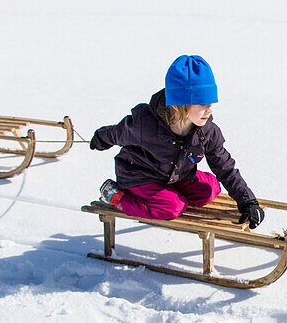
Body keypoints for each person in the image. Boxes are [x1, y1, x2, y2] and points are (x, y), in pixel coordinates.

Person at [90, 55, 264, 229]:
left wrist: (247, 201)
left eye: (211, 102)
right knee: (173, 207)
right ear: (177, 104)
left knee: (210, 188)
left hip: (175, 175)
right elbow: (117, 132)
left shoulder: (206, 131)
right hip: (140, 176)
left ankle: (170, 192)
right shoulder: (145, 125)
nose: (209, 109)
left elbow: (224, 167)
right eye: (202, 103)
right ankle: (116, 197)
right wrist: (101, 138)